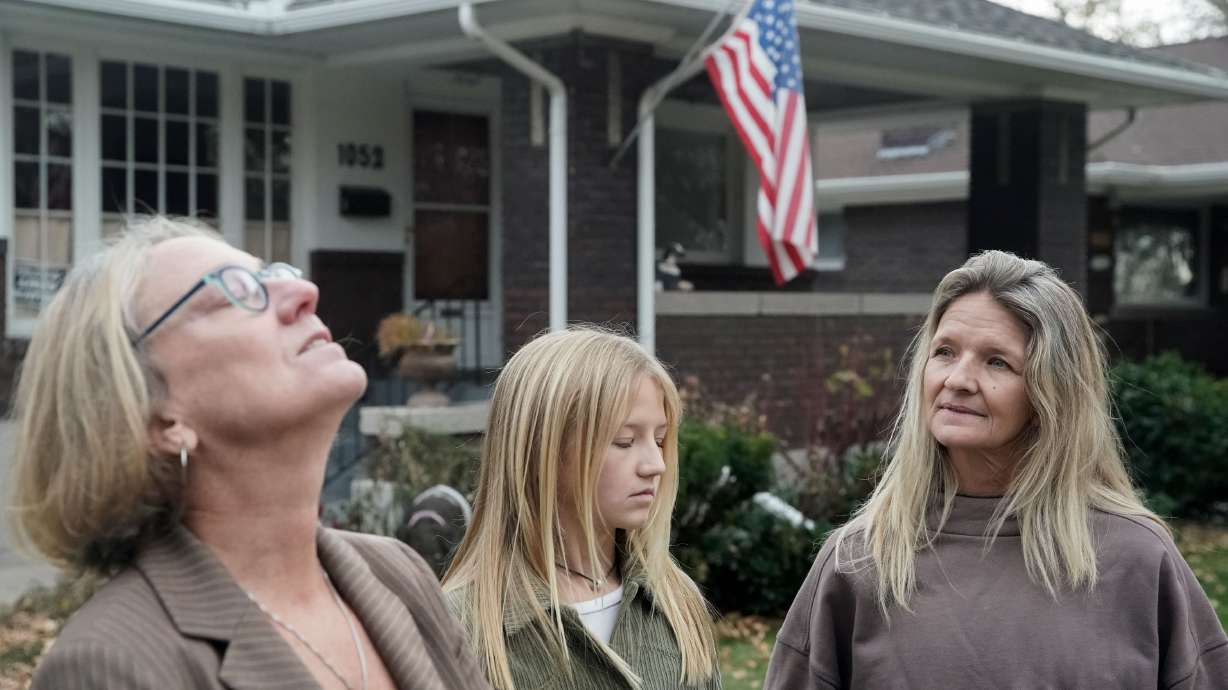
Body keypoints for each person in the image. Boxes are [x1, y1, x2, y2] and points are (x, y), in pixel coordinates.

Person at [7, 216, 491, 690]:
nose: (306, 293)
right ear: (158, 415)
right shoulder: (110, 666)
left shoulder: (399, 575)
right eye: (236, 289)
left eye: (276, 274)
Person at [764, 250, 1228, 689]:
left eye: (997, 362)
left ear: (1053, 392)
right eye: (944, 352)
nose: (957, 380)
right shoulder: (859, 561)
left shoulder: (1139, 561)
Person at [442, 327, 722, 690]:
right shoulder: (463, 630)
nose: (656, 464)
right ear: (543, 449)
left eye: (659, 439)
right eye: (624, 441)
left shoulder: (675, 601)